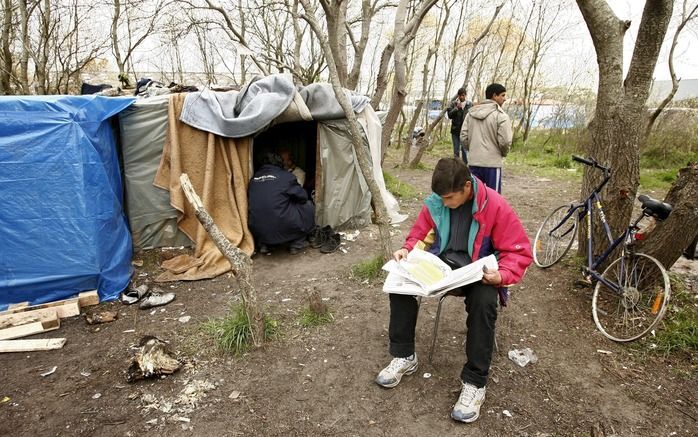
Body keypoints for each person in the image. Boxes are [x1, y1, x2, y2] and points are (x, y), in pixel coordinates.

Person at [375, 157, 532, 423]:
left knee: (485, 302)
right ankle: (404, 356)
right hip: (441, 267)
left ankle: (475, 382)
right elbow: (419, 235)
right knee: (400, 284)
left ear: (467, 187)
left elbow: (518, 251)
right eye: (441, 198)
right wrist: (406, 250)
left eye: (449, 198)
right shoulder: (437, 202)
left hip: (477, 273)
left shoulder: (495, 205)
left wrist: (501, 276)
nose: (444, 203)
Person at [248, 153, 315, 255]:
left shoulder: (253, 180)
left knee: (264, 210)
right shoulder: (286, 177)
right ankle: (297, 244)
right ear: (281, 164)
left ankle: (264, 245)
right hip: (283, 226)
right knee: (308, 205)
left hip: (257, 230)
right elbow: (303, 197)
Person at [460, 83, 512, 194]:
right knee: (493, 199)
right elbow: (505, 141)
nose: (505, 99)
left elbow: (463, 137)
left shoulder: (471, 114)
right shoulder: (501, 116)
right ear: (494, 96)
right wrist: (502, 153)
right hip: (492, 164)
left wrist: (473, 149)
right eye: (502, 95)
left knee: (475, 198)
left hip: (474, 162)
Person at [447, 88, 472, 162]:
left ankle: (464, 167)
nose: (461, 97)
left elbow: (472, 117)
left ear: (465, 95)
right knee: (456, 150)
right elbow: (449, 116)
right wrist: (456, 108)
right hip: (455, 131)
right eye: (460, 95)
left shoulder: (469, 104)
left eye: (463, 95)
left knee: (464, 150)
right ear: (458, 95)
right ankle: (456, 166)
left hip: (465, 132)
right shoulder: (453, 104)